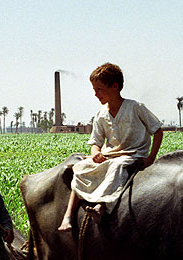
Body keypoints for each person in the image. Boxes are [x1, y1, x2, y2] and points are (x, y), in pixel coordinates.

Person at [58, 62, 164, 231]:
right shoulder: (100, 114)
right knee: (80, 167)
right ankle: (68, 215)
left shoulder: (135, 107)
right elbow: (95, 142)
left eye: (99, 89)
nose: (95, 94)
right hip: (110, 155)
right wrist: (96, 154)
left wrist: (150, 158)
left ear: (115, 86)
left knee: (117, 166)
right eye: (94, 89)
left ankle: (102, 206)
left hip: (132, 155)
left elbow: (157, 131)